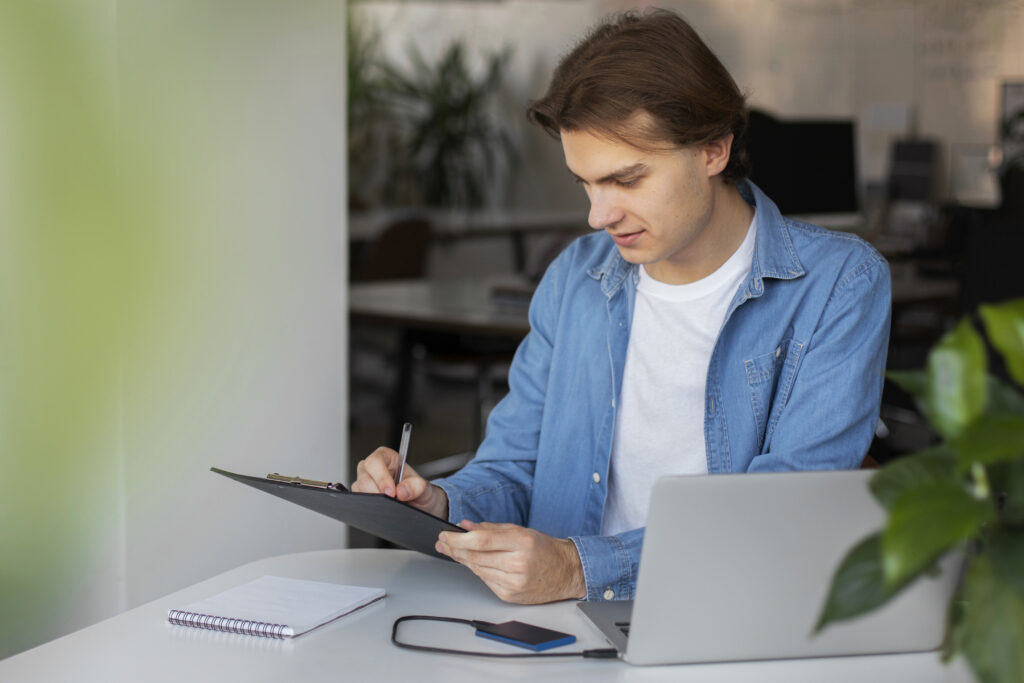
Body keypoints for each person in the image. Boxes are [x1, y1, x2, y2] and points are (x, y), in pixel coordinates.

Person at [353, 8, 891, 605]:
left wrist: (580, 567)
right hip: (560, 621)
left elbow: (788, 508)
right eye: (585, 183)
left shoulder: (840, 283)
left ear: (714, 149)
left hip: (728, 611)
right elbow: (511, 468)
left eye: (627, 180)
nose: (597, 216)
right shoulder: (575, 277)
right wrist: (439, 502)